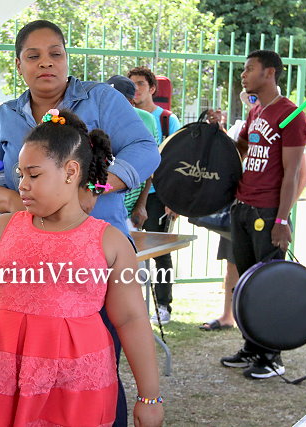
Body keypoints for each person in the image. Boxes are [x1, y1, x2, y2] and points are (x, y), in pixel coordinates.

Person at [0, 20, 160, 426]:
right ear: (18, 65)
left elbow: (145, 149)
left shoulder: (101, 99)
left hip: (91, 269)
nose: (46, 63)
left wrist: (95, 188)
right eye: (33, 56)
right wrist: (14, 202)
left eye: (55, 53)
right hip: (25, 291)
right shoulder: (5, 116)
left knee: (95, 359)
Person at [220, 50, 306, 380]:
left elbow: (292, 173)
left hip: (269, 212)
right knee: (246, 283)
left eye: (249, 69)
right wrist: (218, 132)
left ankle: (272, 356)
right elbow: (241, 148)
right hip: (243, 207)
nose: (243, 75)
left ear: (269, 73)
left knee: (268, 286)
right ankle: (252, 346)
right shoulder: (257, 110)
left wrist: (282, 220)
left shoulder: (291, 115)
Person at [127, 66, 182, 325]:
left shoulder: (166, 120)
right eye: (131, 84)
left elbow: (177, 163)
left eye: (140, 83)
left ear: (152, 88)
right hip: (130, 195)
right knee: (128, 251)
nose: (135, 89)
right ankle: (133, 305)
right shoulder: (126, 117)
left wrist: (173, 199)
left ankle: (162, 305)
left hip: (159, 196)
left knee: (161, 252)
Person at [105, 75, 158, 230]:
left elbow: (150, 167)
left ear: (130, 102)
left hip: (130, 210)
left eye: (118, 100)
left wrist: (141, 205)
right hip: (104, 206)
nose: (111, 104)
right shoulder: (97, 119)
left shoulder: (147, 120)